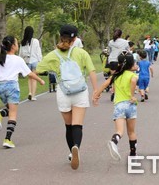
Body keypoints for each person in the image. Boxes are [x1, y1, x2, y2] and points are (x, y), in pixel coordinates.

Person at [36, 24, 98, 170]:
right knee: (77, 125)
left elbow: (38, 69)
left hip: (63, 92)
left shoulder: (52, 55)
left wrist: (51, 71)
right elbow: (92, 72)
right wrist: (96, 91)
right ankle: (76, 146)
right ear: (75, 38)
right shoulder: (81, 53)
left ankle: (71, 151)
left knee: (68, 126)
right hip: (80, 92)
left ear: (60, 36)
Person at [0, 36, 45, 148]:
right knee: (13, 114)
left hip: (1, 87)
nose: (18, 45)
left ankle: (1, 114)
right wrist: (40, 80)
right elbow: (29, 73)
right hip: (12, 87)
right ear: (13, 46)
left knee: (10, 109)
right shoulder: (18, 60)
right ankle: (7, 139)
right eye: (17, 43)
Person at [93, 52, 139, 161]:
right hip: (131, 105)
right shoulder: (133, 75)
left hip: (119, 105)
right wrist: (132, 95)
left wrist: (96, 95)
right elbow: (133, 81)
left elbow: (105, 85)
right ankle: (133, 155)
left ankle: (114, 142)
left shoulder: (116, 75)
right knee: (131, 132)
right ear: (131, 64)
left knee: (120, 131)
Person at [19, 26, 42, 101]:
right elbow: (38, 52)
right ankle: (33, 95)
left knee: (29, 78)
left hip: (27, 61)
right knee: (34, 78)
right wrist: (40, 61)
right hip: (35, 61)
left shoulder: (22, 42)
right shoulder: (35, 41)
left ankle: (29, 92)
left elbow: (21, 53)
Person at [107, 28, 130, 101]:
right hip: (121, 61)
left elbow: (109, 52)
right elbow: (128, 51)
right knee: (121, 77)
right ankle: (121, 93)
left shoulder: (111, 42)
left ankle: (113, 92)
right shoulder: (125, 42)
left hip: (112, 61)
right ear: (121, 34)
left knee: (113, 77)